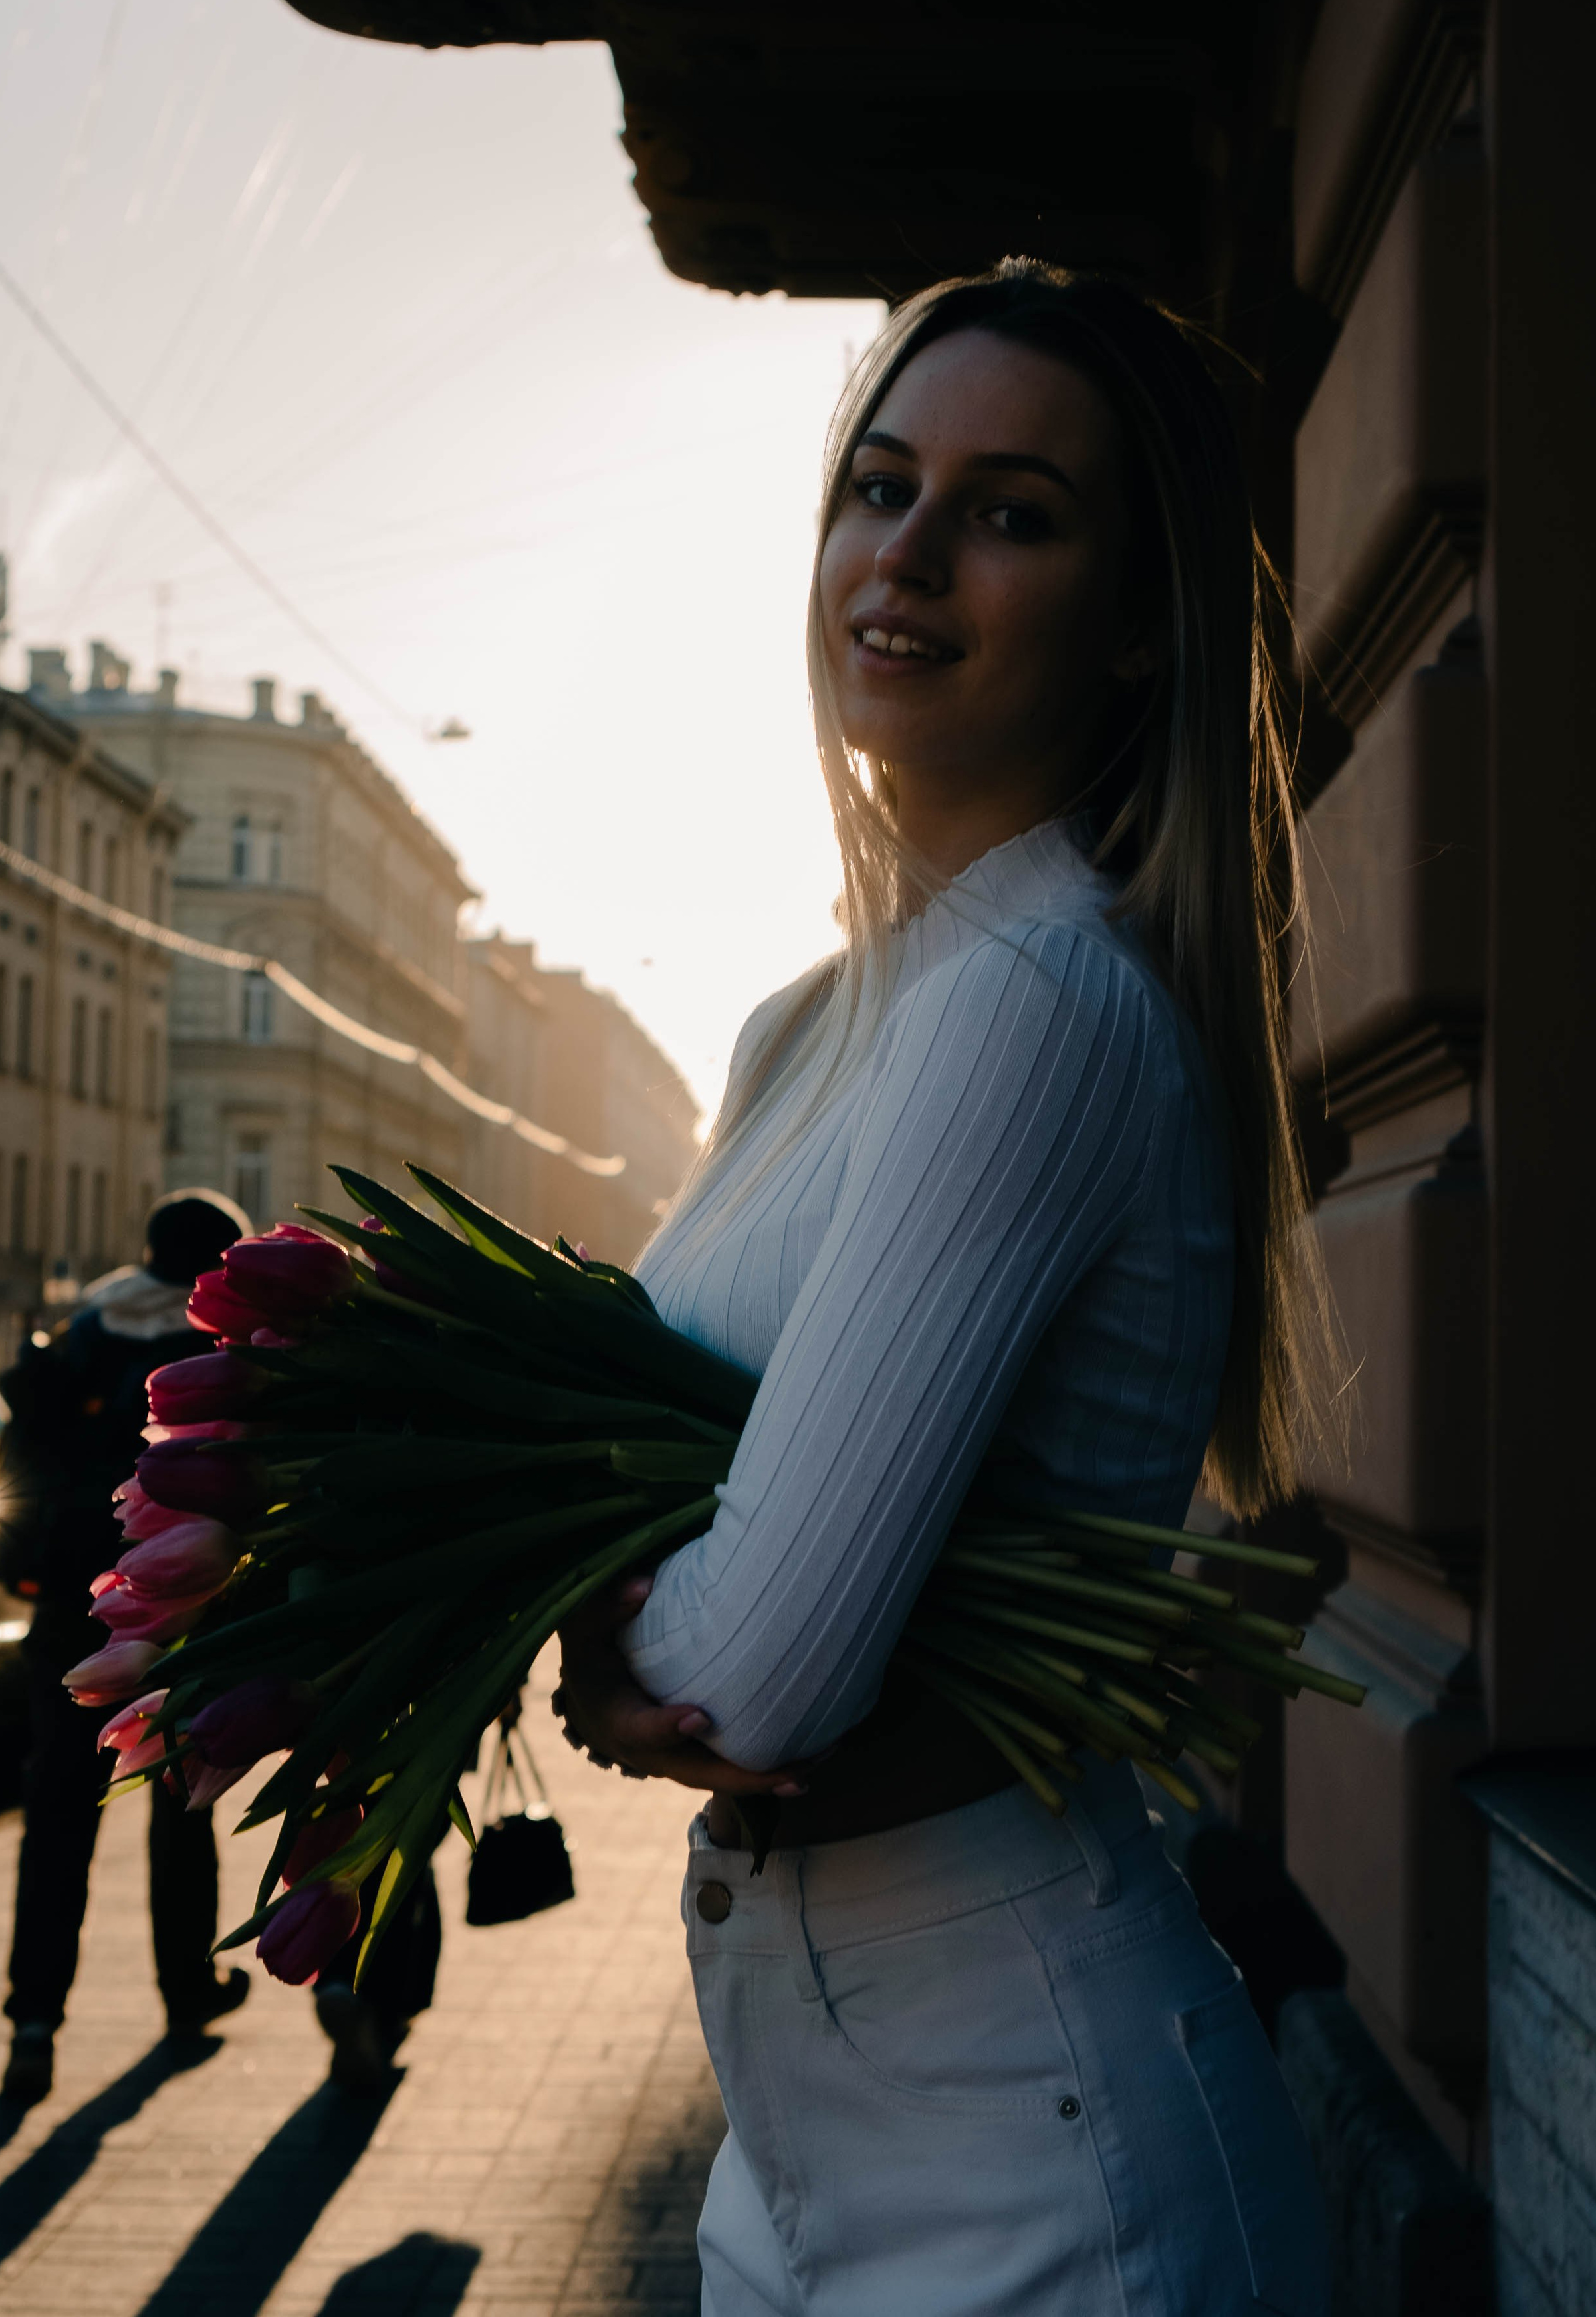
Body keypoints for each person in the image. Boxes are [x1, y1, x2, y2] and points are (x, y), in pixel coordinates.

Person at [556, 261, 1334, 2313]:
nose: (905, 555)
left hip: (1038, 2140)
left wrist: (584, 1611)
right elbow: (699, 1574)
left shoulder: (1040, 998)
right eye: (881, 487)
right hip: (806, 2114)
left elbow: (761, 1666)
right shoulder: (804, 1027)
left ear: (1142, 621)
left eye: (1012, 511)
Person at [0, 1189, 254, 2104]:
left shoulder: (82, 1335)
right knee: (182, 1804)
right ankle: (188, 1992)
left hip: (73, 1608)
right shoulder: (224, 1344)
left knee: (57, 1813)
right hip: (192, 1609)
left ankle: (35, 2016)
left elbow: (12, 1460)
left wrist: (27, 1565)